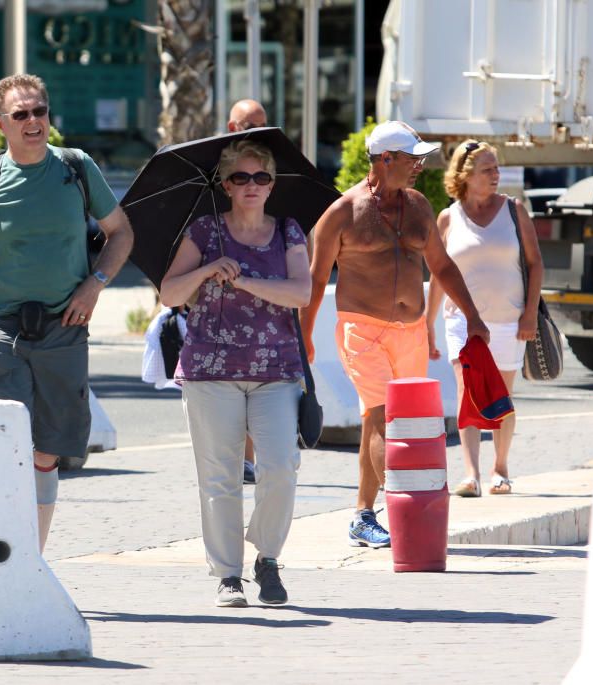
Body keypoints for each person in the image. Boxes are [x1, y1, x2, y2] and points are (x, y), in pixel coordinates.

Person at [0, 74, 134, 552]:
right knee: (5, 447)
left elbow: (121, 233)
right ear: (1, 123)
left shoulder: (76, 168)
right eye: (21, 114)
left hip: (64, 331)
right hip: (5, 332)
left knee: (48, 451)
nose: (34, 121)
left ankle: (33, 561)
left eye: (40, 111)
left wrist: (95, 285)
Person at [300, 121, 490, 548]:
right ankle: (408, 510)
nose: (419, 166)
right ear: (385, 160)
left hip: (411, 331)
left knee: (391, 420)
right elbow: (314, 282)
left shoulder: (419, 206)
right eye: (411, 158)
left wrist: (473, 316)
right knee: (383, 412)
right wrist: (304, 339)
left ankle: (363, 514)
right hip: (361, 328)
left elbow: (441, 267)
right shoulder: (342, 213)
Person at [160, 139, 311, 608]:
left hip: (276, 370)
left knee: (281, 467)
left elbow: (301, 293)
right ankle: (228, 574)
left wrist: (243, 278)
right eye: (241, 177)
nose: (252, 185)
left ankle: (267, 556)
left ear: (272, 184)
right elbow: (169, 293)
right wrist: (207, 271)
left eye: (261, 177)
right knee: (220, 476)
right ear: (226, 184)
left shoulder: (288, 231)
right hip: (211, 370)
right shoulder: (204, 231)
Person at [426, 140, 543, 497]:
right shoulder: (448, 217)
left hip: (509, 317)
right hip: (461, 320)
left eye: (496, 168)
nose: (496, 176)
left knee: (503, 394)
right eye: (487, 170)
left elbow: (536, 263)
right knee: (467, 393)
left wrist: (530, 314)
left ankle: (500, 468)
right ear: (465, 176)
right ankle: (471, 474)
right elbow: (438, 274)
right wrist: (427, 324)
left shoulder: (514, 210)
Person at [228, 98, 268, 483]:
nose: (254, 133)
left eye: (261, 126)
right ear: (231, 128)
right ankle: (236, 457)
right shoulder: (213, 172)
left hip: (265, 291)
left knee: (258, 379)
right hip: (221, 289)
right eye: (247, 126)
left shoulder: (272, 172)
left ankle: (250, 456)